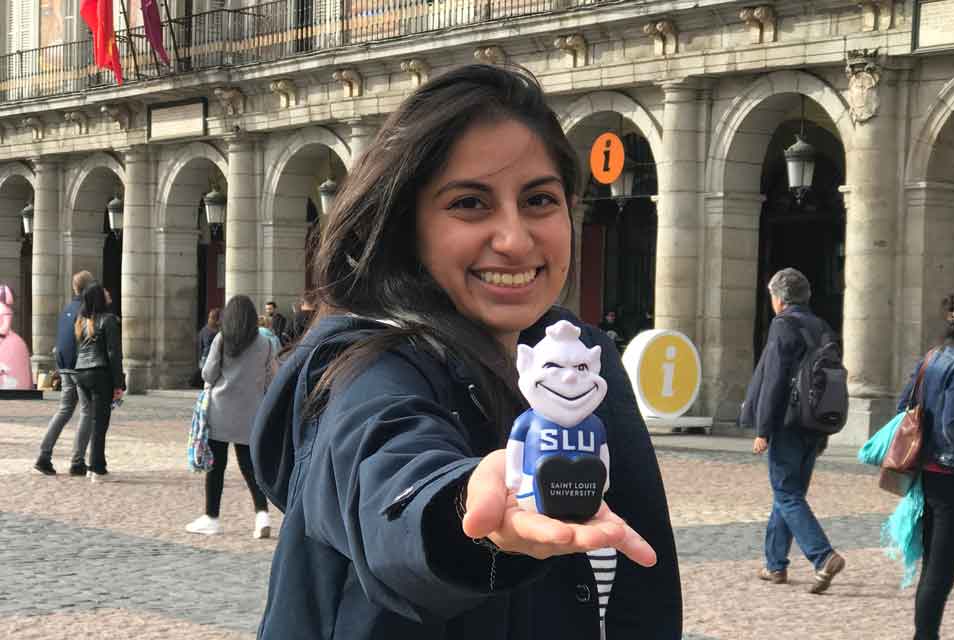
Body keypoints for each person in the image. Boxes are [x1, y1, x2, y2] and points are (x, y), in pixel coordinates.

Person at [251, 64, 681, 640]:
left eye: (539, 200)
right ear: (408, 226)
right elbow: (388, 472)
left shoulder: (581, 358)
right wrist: (465, 511)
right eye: (470, 204)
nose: (515, 238)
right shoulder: (367, 367)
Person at [741, 267, 845, 593]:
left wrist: (763, 429)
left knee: (786, 493)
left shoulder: (783, 326)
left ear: (780, 299)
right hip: (815, 422)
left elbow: (774, 379)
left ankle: (823, 556)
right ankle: (775, 565)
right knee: (789, 493)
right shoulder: (822, 326)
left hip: (788, 423)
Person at [186, 295, 275, 538]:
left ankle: (211, 517)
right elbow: (270, 378)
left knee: (216, 467)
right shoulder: (264, 343)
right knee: (249, 466)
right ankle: (262, 515)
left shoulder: (222, 339)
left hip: (220, 410)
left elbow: (209, 373)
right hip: (250, 411)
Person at [897, 294, 954, 640]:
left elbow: (902, 405)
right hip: (952, 474)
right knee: (941, 569)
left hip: (928, 472)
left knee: (933, 565)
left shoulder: (931, 358)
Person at [34, 270, 96, 476]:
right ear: (89, 288)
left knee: (64, 410)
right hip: (80, 367)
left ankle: (44, 455)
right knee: (88, 411)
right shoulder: (87, 310)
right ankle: (77, 461)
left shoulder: (67, 308)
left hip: (65, 365)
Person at [73, 282, 124, 483]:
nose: (108, 292)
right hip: (99, 373)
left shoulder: (81, 321)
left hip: (81, 372)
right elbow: (113, 353)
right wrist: (118, 383)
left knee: (93, 420)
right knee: (100, 422)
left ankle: (95, 465)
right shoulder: (109, 320)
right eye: (105, 291)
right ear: (99, 298)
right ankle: (97, 469)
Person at [192, 308, 221, 388]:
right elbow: (200, 346)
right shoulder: (205, 331)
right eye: (210, 317)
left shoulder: (218, 331)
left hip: (213, 357)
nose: (210, 319)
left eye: (212, 318)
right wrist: (200, 358)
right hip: (206, 357)